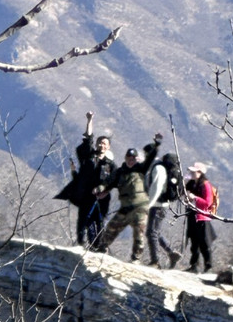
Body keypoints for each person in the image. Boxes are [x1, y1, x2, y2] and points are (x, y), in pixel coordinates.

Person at [94, 140, 159, 260]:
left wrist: (156, 145)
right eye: (129, 158)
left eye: (133, 158)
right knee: (111, 228)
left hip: (140, 206)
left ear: (136, 159)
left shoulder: (140, 169)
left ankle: (136, 258)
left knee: (139, 232)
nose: (131, 160)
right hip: (125, 207)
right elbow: (108, 183)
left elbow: (150, 159)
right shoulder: (119, 172)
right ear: (125, 158)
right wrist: (99, 188)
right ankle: (102, 248)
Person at [59, 110, 115, 246]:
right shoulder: (91, 156)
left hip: (102, 197)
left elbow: (113, 181)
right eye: (100, 143)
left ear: (108, 147)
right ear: (97, 145)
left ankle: (99, 246)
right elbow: (88, 137)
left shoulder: (110, 164)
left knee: (100, 221)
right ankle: (87, 245)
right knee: (87, 221)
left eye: (104, 144)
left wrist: (104, 191)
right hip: (87, 194)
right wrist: (89, 120)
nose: (102, 145)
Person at [144, 144, 183, 268]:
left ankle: (155, 261)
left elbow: (156, 188)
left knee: (151, 233)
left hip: (157, 204)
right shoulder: (163, 167)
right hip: (164, 205)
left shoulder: (158, 168)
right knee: (155, 231)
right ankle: (171, 253)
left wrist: (148, 204)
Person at [184, 163, 217, 273]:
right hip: (193, 215)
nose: (192, 174)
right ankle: (194, 265)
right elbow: (183, 190)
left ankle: (208, 265)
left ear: (200, 173)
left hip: (202, 217)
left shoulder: (205, 185)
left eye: (194, 172)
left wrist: (195, 198)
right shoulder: (193, 183)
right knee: (194, 242)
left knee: (204, 243)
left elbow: (208, 203)